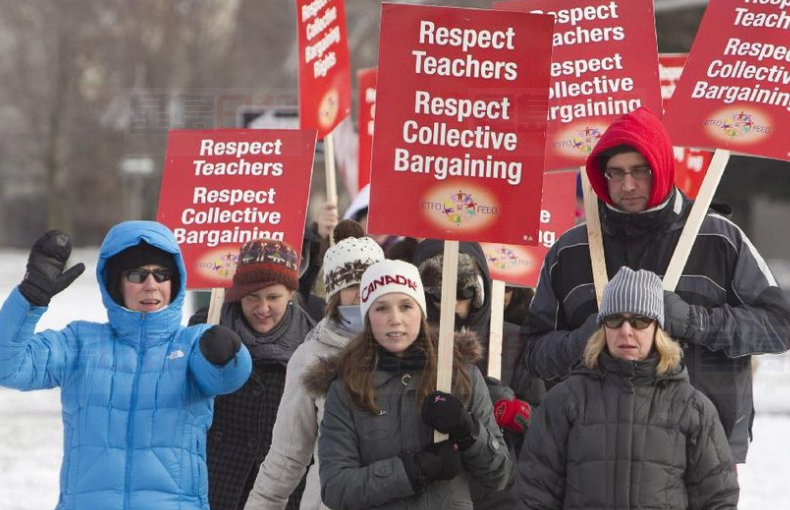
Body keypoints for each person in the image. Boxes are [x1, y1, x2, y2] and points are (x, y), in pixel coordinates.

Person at [522, 107, 790, 463]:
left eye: (639, 171)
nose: (627, 185)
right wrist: (581, 340)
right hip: (594, 454)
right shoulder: (572, 250)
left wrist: (697, 322)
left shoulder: (717, 238)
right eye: (615, 174)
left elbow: (779, 326)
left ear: (661, 167)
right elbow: (534, 354)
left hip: (701, 450)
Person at [0, 221, 252, 510]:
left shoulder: (191, 344)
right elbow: (8, 365)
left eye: (162, 274)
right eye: (137, 274)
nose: (151, 285)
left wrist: (227, 351)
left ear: (175, 281)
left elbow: (229, 377)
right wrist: (29, 299)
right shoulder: (80, 343)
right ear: (115, 282)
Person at [517, 267, 739, 509]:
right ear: (602, 328)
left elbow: (717, 500)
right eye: (614, 320)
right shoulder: (563, 401)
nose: (626, 331)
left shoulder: (693, 408)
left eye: (639, 320)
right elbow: (535, 496)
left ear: (657, 329)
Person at [313, 259, 511, 510]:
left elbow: (499, 475)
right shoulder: (347, 389)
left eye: (406, 306)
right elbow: (335, 488)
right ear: (368, 317)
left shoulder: (462, 377)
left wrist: (468, 430)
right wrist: (411, 470)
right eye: (381, 308)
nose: (395, 319)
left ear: (421, 312)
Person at [243, 219, 385, 510]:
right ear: (334, 295)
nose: (361, 295)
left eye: (369, 284)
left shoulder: (417, 353)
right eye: (351, 285)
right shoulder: (311, 356)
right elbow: (288, 456)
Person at [190, 238, 316, 510]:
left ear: (290, 294)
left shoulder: (312, 342)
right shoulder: (209, 326)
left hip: (283, 492)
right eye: (252, 297)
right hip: (216, 485)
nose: (262, 309)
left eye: (273, 297)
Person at [415, 240, 540, 509]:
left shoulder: (513, 340)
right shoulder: (408, 346)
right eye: (439, 296)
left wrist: (519, 412)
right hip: (430, 489)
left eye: (464, 293)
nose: (454, 306)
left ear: (480, 291)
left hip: (500, 491)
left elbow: (549, 423)